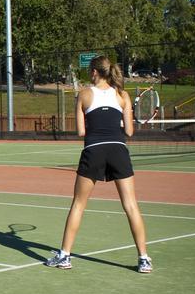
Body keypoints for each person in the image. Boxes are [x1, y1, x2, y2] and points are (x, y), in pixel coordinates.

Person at [45, 55, 152, 273]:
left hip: (93, 150)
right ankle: (144, 259)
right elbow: (129, 132)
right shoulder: (122, 95)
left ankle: (64, 256)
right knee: (131, 205)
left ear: (94, 72)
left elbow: (81, 132)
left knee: (78, 204)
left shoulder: (83, 95)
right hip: (118, 150)